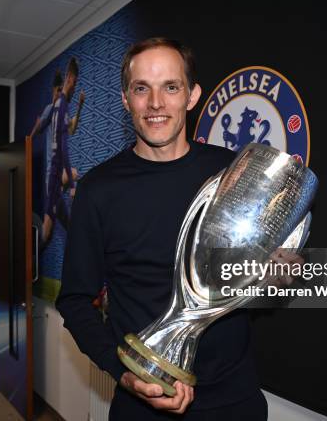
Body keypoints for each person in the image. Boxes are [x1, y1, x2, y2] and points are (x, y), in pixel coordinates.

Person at [56, 38, 301, 420]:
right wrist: (123, 374)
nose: (156, 103)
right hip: (142, 400)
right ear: (126, 99)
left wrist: (275, 276)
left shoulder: (231, 173)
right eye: (142, 89)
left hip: (234, 401)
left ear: (192, 96)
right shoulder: (98, 190)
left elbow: (248, 285)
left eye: (171, 87)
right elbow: (74, 300)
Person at [28, 59, 85, 243]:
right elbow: (39, 123)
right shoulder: (52, 107)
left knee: (55, 226)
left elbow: (72, 129)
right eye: (73, 82)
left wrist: (80, 106)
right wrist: (28, 140)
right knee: (75, 174)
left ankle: (33, 250)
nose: (74, 88)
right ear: (68, 80)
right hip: (53, 175)